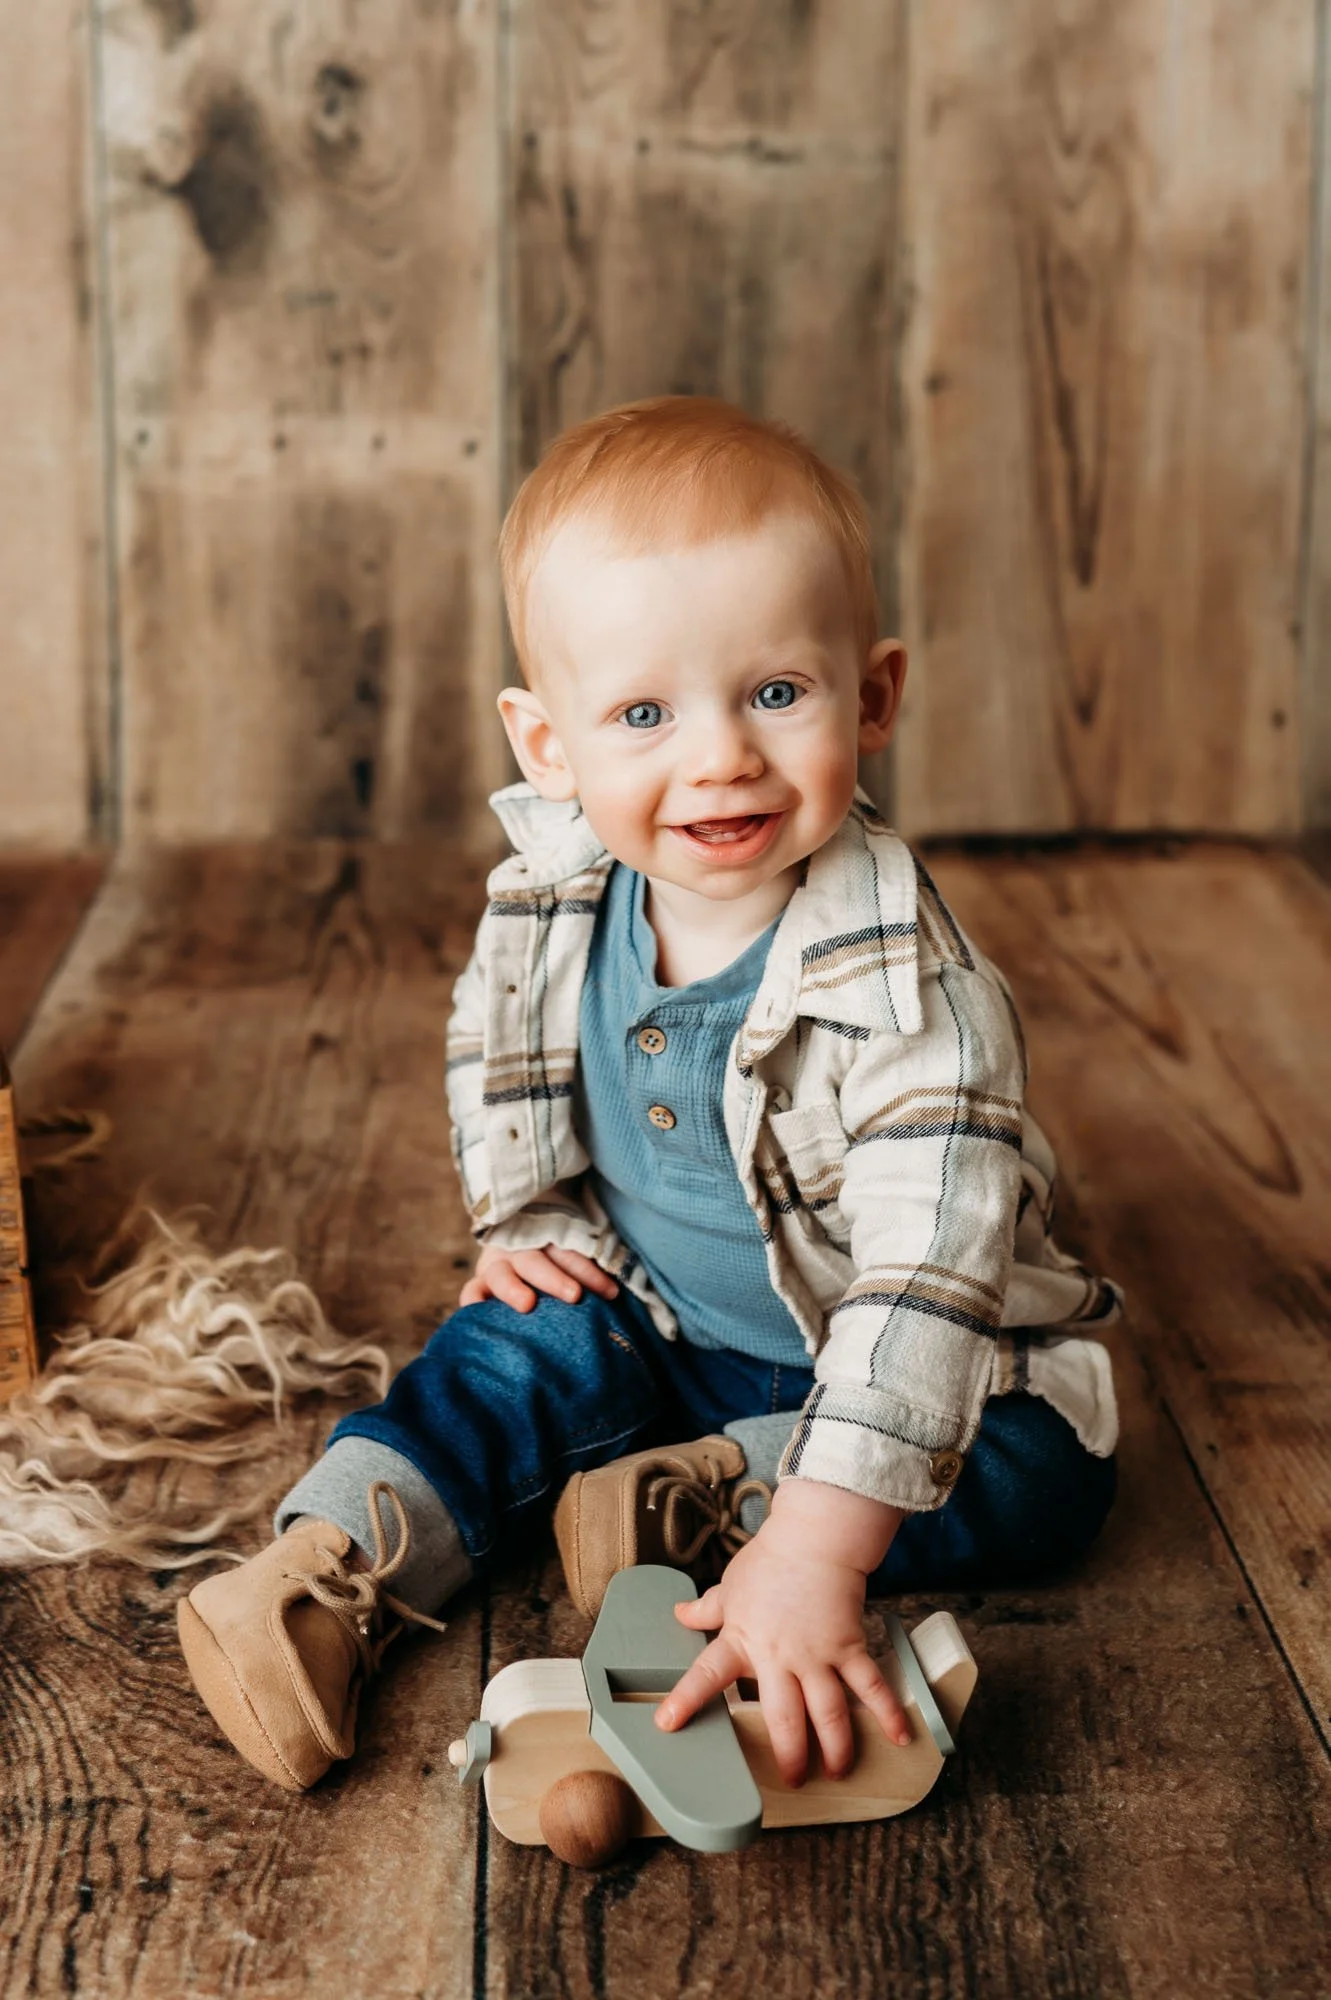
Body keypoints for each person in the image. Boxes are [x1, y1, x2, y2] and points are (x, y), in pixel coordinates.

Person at [177, 396, 1121, 1795]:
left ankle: (713, 1502)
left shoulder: (915, 997)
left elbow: (924, 1285)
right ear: (547, 745)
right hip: (659, 1307)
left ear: (870, 697)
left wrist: (816, 1550)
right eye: (641, 712)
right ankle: (320, 1575)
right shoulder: (559, 887)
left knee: (1047, 1471)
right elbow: (493, 1041)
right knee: (505, 1356)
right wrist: (529, 1209)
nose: (719, 757)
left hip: (912, 1357)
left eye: (775, 694)